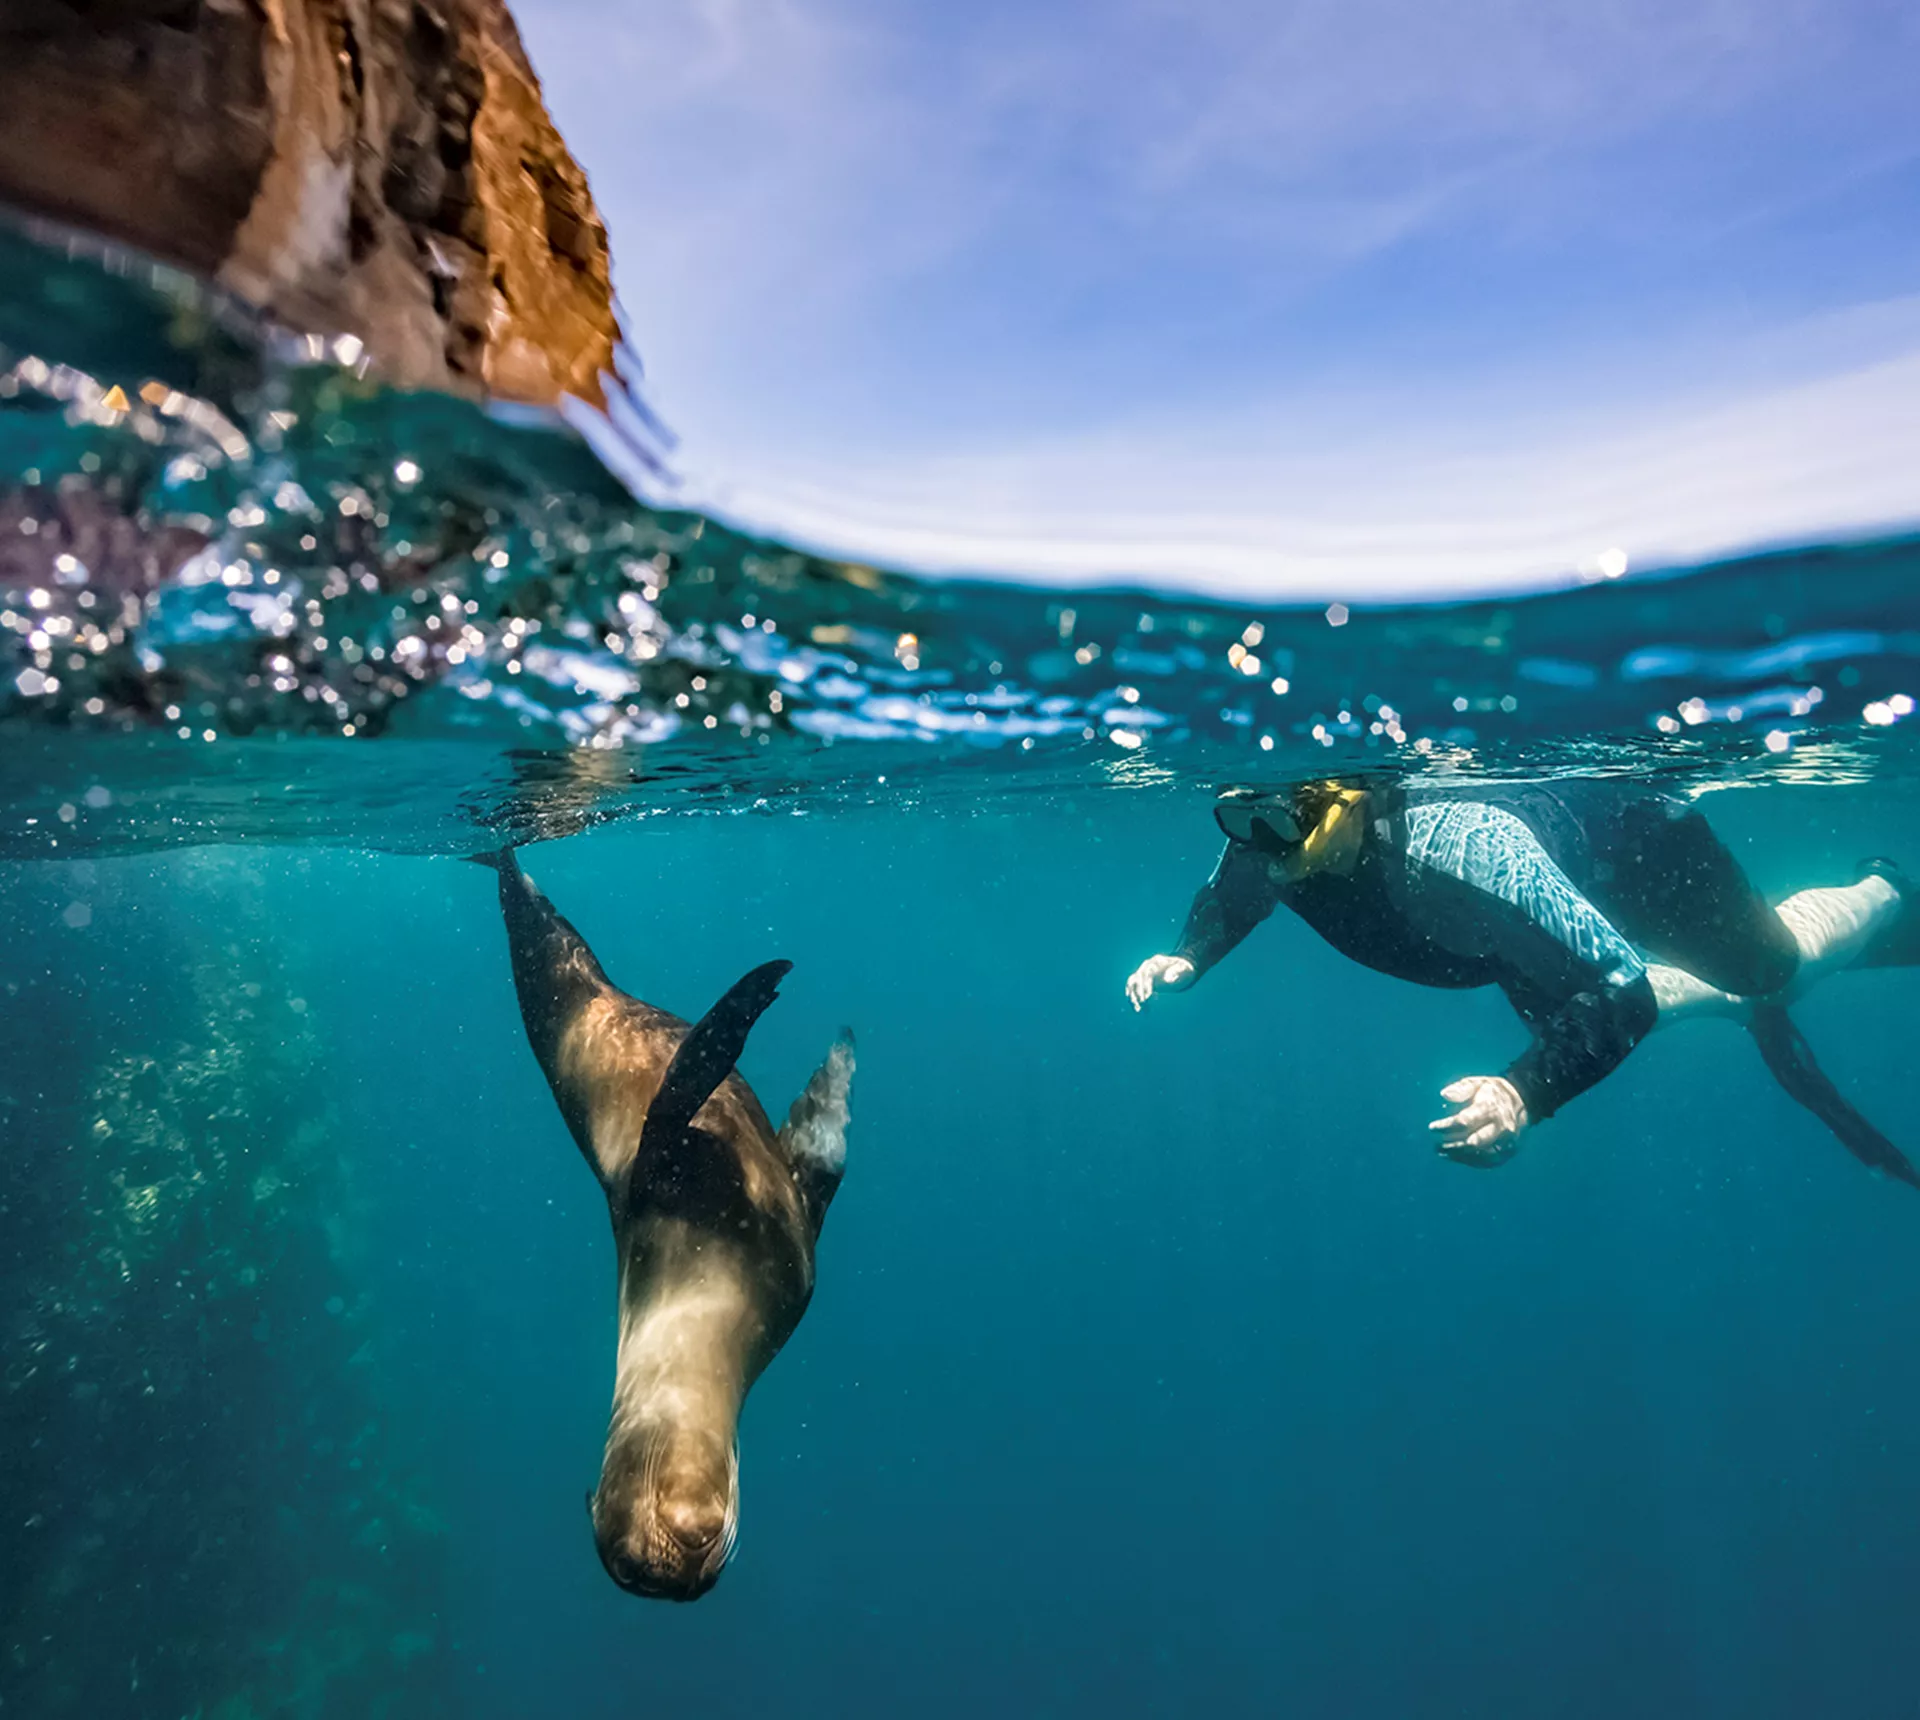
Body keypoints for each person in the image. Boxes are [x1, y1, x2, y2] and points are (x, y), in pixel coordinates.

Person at [1126, 778, 1919, 1183]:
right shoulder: (1274, 842)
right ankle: (1743, 1004)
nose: (1263, 839)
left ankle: (1884, 891)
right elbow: (1238, 889)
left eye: (1283, 818)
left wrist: (1521, 1094)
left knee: (1774, 971)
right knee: (1581, 1018)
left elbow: (1623, 992)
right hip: (1513, 938)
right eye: (1242, 820)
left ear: (1346, 803)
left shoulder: (1459, 846)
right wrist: (1191, 953)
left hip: (1645, 854)